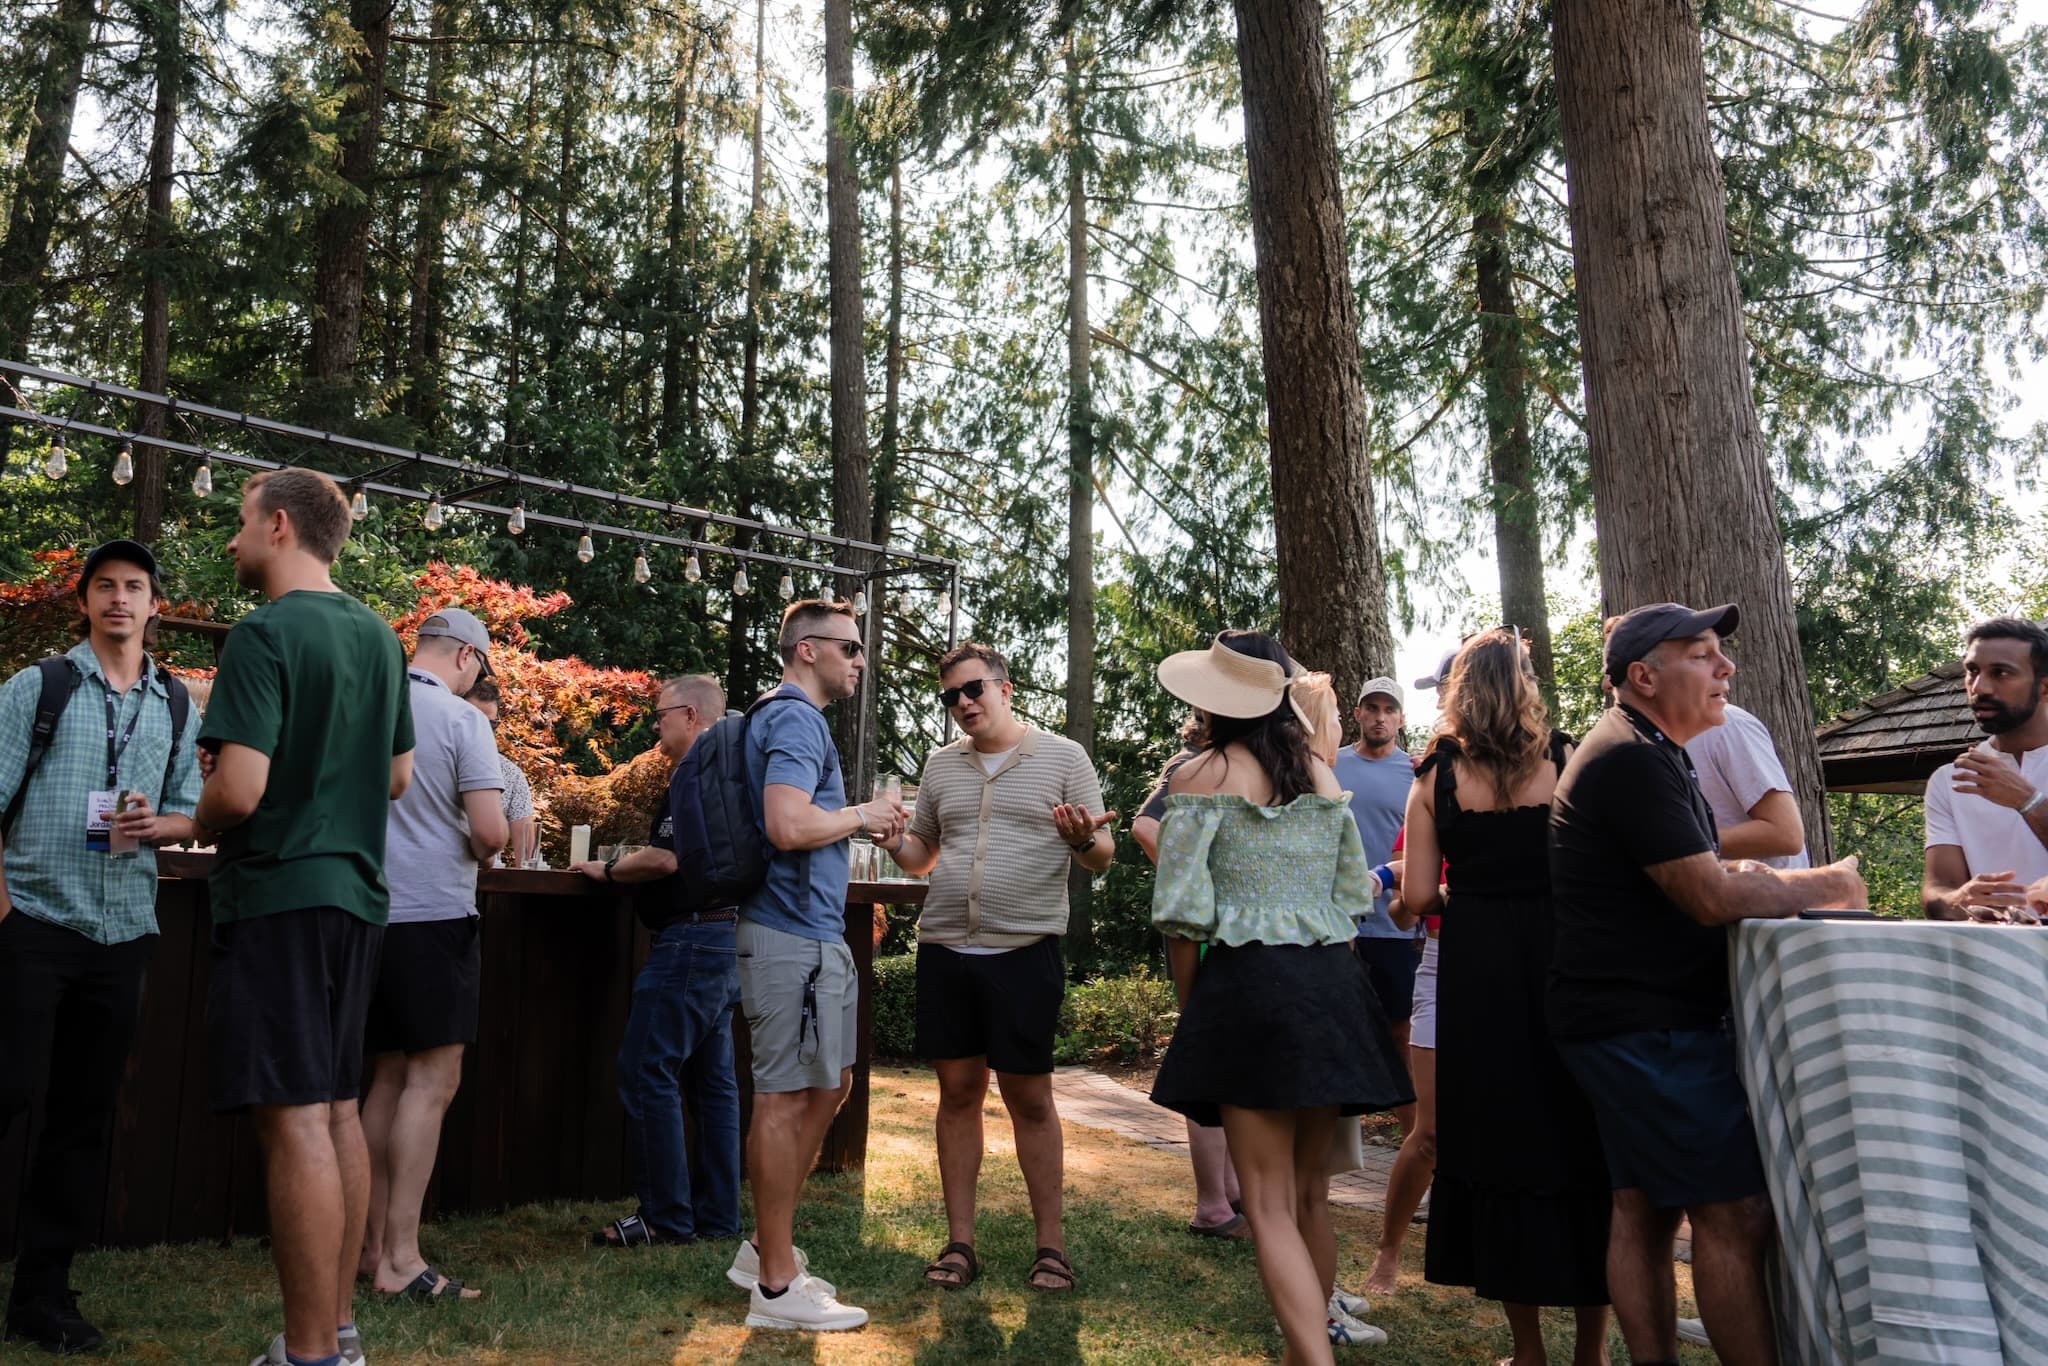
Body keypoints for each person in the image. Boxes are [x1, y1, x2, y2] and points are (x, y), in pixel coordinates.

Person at [1549, 601, 1866, 1366]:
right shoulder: (1631, 755)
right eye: (1702, 653)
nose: (1725, 669)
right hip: (1645, 1025)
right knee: (1735, 1211)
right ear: (1643, 676)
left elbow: (1687, 875)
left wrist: (1742, 872)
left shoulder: (1652, 747)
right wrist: (1830, 884)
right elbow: (1708, 899)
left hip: (1621, 1017)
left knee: (1642, 1208)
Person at [195, 468, 415, 1366]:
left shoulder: (264, 633)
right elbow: (397, 777)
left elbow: (239, 791)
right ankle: (339, 1338)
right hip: (358, 899)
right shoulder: (379, 635)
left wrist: (199, 814)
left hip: (280, 895)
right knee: (332, 1108)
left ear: (279, 526)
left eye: (242, 524)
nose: (234, 541)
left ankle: (310, 1354)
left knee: (293, 1118)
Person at [1148, 631, 1412, 1366]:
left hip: (1247, 989)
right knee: (1308, 1200)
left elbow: (1181, 915)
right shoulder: (1323, 779)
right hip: (1329, 989)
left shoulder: (1198, 777)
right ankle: (1308, 1348)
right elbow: (1348, 897)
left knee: (1263, 1206)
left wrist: (1193, 1009)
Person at [0, 540, 201, 1355]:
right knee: (3, 1097)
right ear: (84, 602)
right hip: (35, 925)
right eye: (105, 587)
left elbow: (194, 812)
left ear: (156, 607)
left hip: (122, 931)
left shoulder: (177, 704)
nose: (121, 599)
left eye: (136, 587)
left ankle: (43, 1298)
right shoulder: (37, 686)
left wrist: (163, 825)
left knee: (82, 1121)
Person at [1401, 629, 1611, 1366]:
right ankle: (1592, 1351)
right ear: (1525, 685)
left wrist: (1457, 892)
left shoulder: (1434, 779)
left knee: (1498, 1143)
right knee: (1581, 1142)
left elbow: (1421, 894)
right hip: (1567, 964)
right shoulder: (1570, 758)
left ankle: (1528, 1352)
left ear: (1458, 690)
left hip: (1479, 975)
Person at [876, 642, 1112, 1295]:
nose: (962, 704)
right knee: (956, 1096)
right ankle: (959, 1246)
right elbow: (922, 856)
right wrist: (897, 839)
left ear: (1005, 687)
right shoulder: (940, 766)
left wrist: (1081, 839)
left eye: (972, 689)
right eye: (950, 696)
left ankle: (1051, 1250)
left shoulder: (1064, 758)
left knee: (1030, 1098)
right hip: (946, 949)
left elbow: (1102, 855)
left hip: (1024, 952)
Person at [726, 599, 903, 1332]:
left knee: (831, 1085)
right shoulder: (796, 718)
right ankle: (773, 1288)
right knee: (786, 1097)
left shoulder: (790, 718)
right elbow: (788, 824)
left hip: (810, 935)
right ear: (807, 650)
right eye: (850, 648)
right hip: (788, 934)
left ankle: (766, 1249)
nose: (860, 660)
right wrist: (865, 813)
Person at [357, 607, 505, 1302]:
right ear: (469, 658)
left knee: (385, 1080)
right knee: (432, 1082)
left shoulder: (368, 702)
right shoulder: (463, 720)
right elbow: (489, 833)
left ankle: (366, 1246)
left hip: (364, 915)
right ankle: (402, 1259)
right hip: (435, 916)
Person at [573, 674, 741, 1248]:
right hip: (726, 935)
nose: (654, 725)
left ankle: (665, 1218)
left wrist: (609, 870)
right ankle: (718, 1217)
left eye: (661, 714)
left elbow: (668, 860)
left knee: (647, 1070)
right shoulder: (739, 768)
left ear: (691, 715)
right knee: (712, 1083)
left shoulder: (695, 772)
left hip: (691, 940)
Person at [1132, 711, 1248, 1245]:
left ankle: (1229, 1193)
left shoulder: (1231, 768)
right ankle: (1211, 1204)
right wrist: (1194, 881)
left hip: (1223, 931)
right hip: (1201, 929)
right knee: (1206, 1053)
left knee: (1226, 1059)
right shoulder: (1190, 767)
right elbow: (1143, 827)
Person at [1922, 617, 2048, 922]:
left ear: (2044, 686)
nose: (1979, 687)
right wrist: (1959, 899)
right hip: (1988, 959)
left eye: (2001, 673)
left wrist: (2027, 801)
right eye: (1972, 671)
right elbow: (1938, 888)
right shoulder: (1949, 780)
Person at [463, 674, 537, 867]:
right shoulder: (439, 762)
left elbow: (527, 852)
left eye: (490, 725)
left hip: (490, 882)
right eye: (473, 721)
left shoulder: (510, 774)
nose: (482, 731)